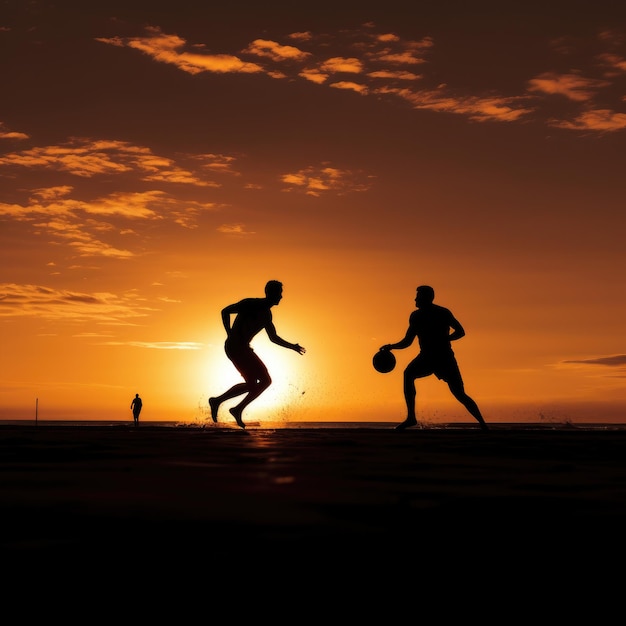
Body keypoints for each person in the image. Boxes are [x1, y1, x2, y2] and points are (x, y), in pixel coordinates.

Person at [380, 285, 488, 431]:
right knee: (408, 374)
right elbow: (407, 341)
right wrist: (391, 346)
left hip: (444, 358)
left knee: (459, 394)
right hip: (426, 357)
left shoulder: (443, 313)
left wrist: (445, 339)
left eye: (418, 296)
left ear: (426, 298)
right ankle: (411, 417)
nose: (415, 299)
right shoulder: (415, 316)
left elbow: (460, 331)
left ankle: (483, 424)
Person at [209, 280, 306, 429]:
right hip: (235, 347)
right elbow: (225, 311)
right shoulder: (250, 304)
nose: (281, 297)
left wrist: (292, 346)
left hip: (243, 348)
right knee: (259, 381)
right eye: (279, 294)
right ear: (271, 294)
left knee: (261, 382)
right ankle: (227, 405)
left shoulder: (267, 315)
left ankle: (230, 406)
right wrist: (230, 333)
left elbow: (273, 338)